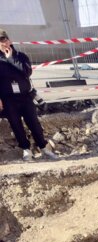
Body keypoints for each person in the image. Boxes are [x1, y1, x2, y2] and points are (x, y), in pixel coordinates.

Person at [0, 28, 57, 162]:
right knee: (16, 125)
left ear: (9, 41)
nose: (3, 43)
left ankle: (43, 147)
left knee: (34, 123)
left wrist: (12, 58)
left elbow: (27, 72)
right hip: (8, 99)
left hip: (25, 96)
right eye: (0, 41)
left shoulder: (21, 56)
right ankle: (26, 150)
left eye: (4, 39)